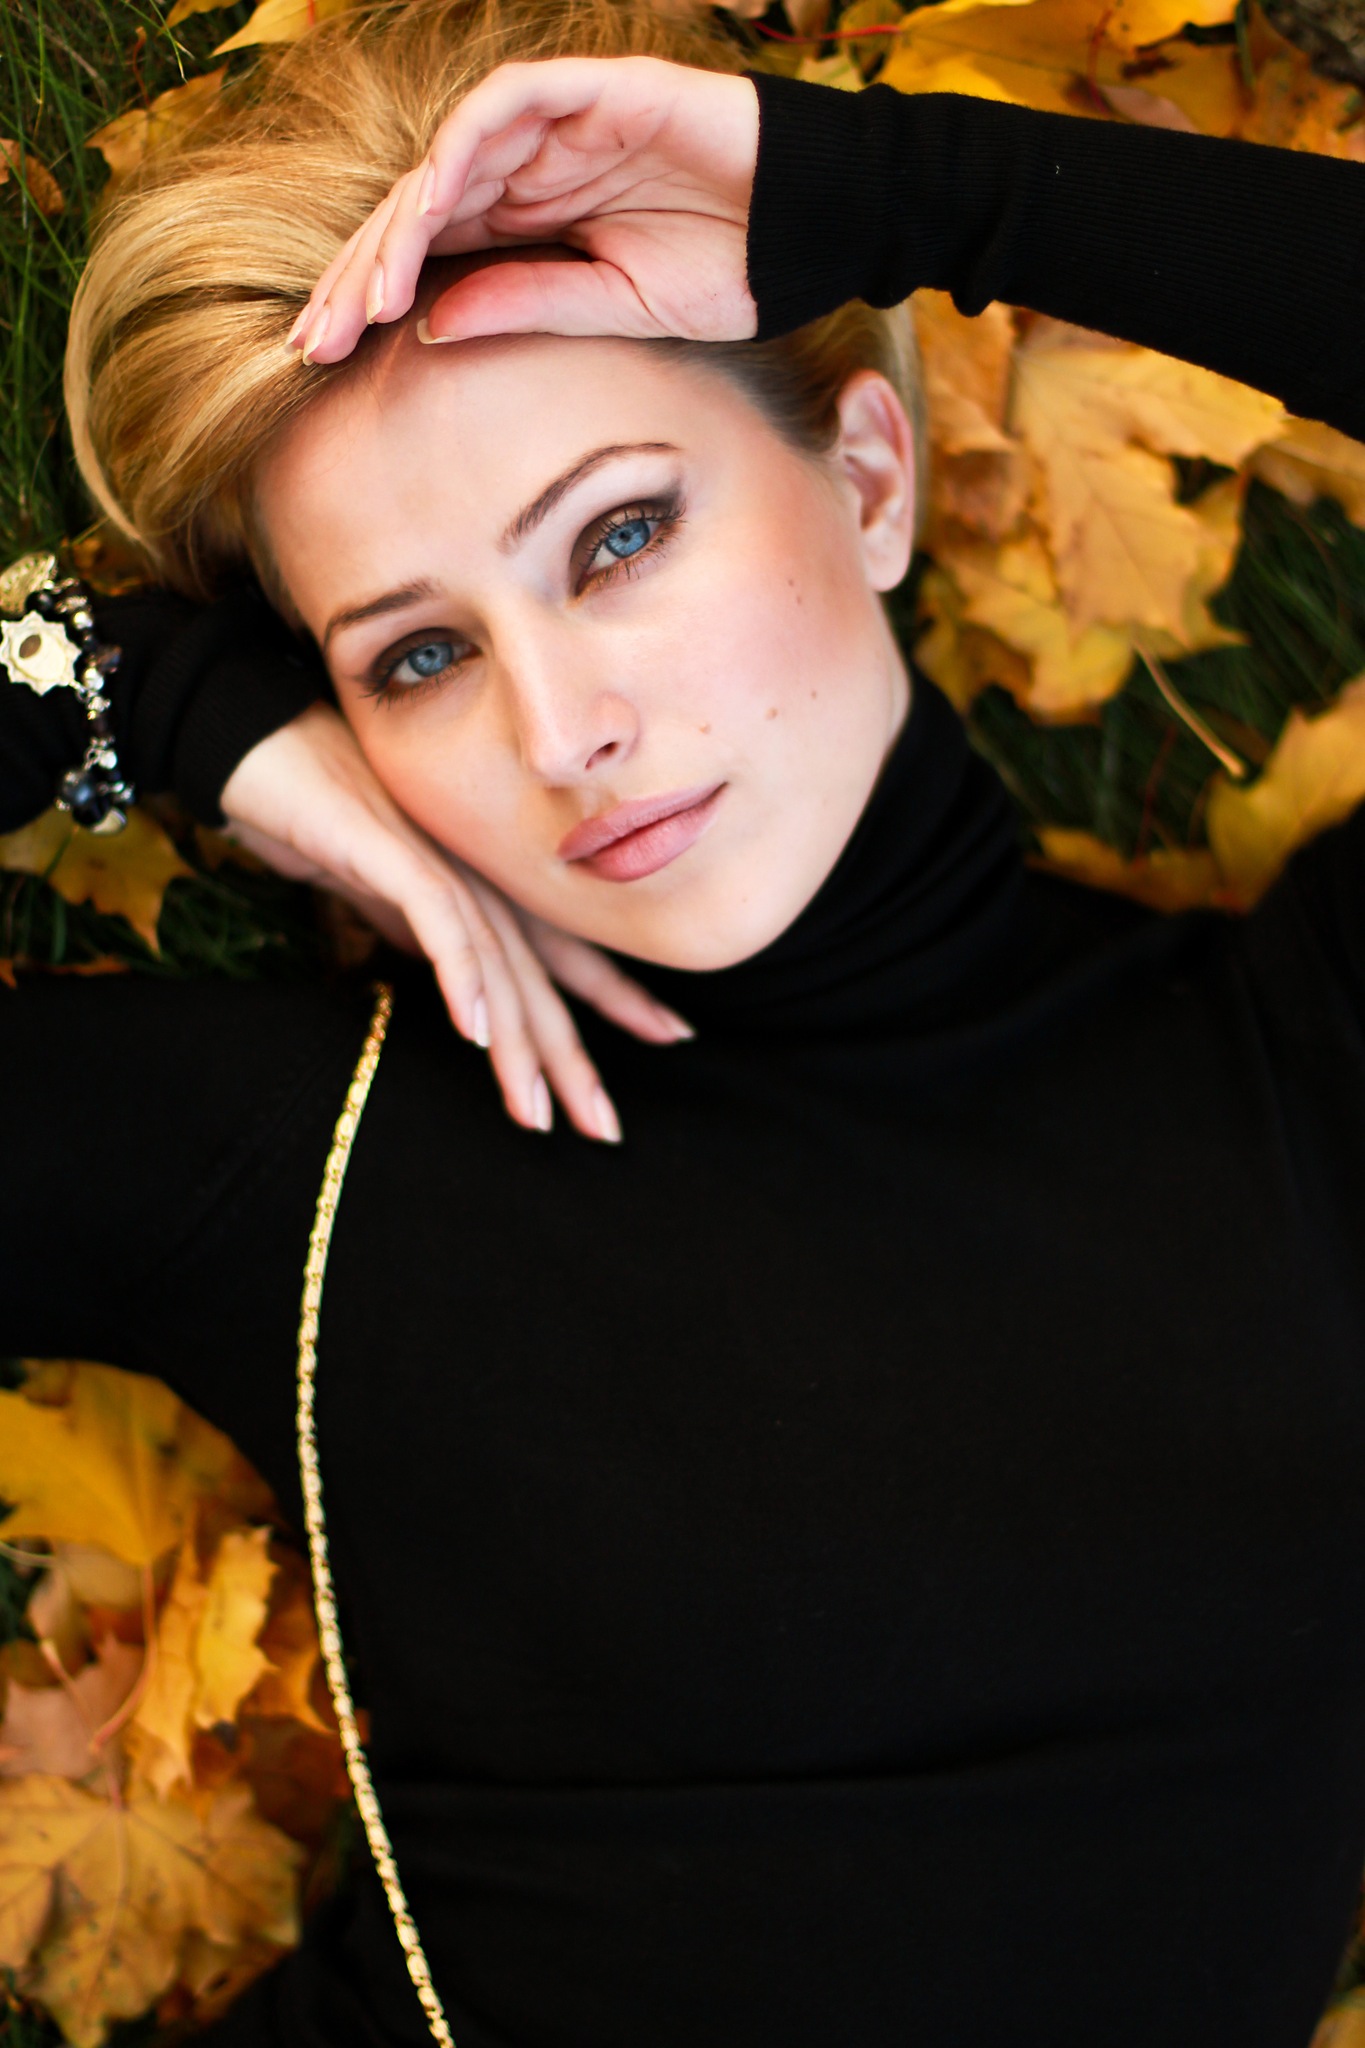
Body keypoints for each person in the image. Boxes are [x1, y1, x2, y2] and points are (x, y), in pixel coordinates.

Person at [4, 1, 1365, 2040]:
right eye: (418, 655)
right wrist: (139, 698)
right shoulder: (310, 1162)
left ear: (869, 478)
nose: (561, 731)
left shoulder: (1300, 1065)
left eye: (620, 536)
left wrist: (906, 192)